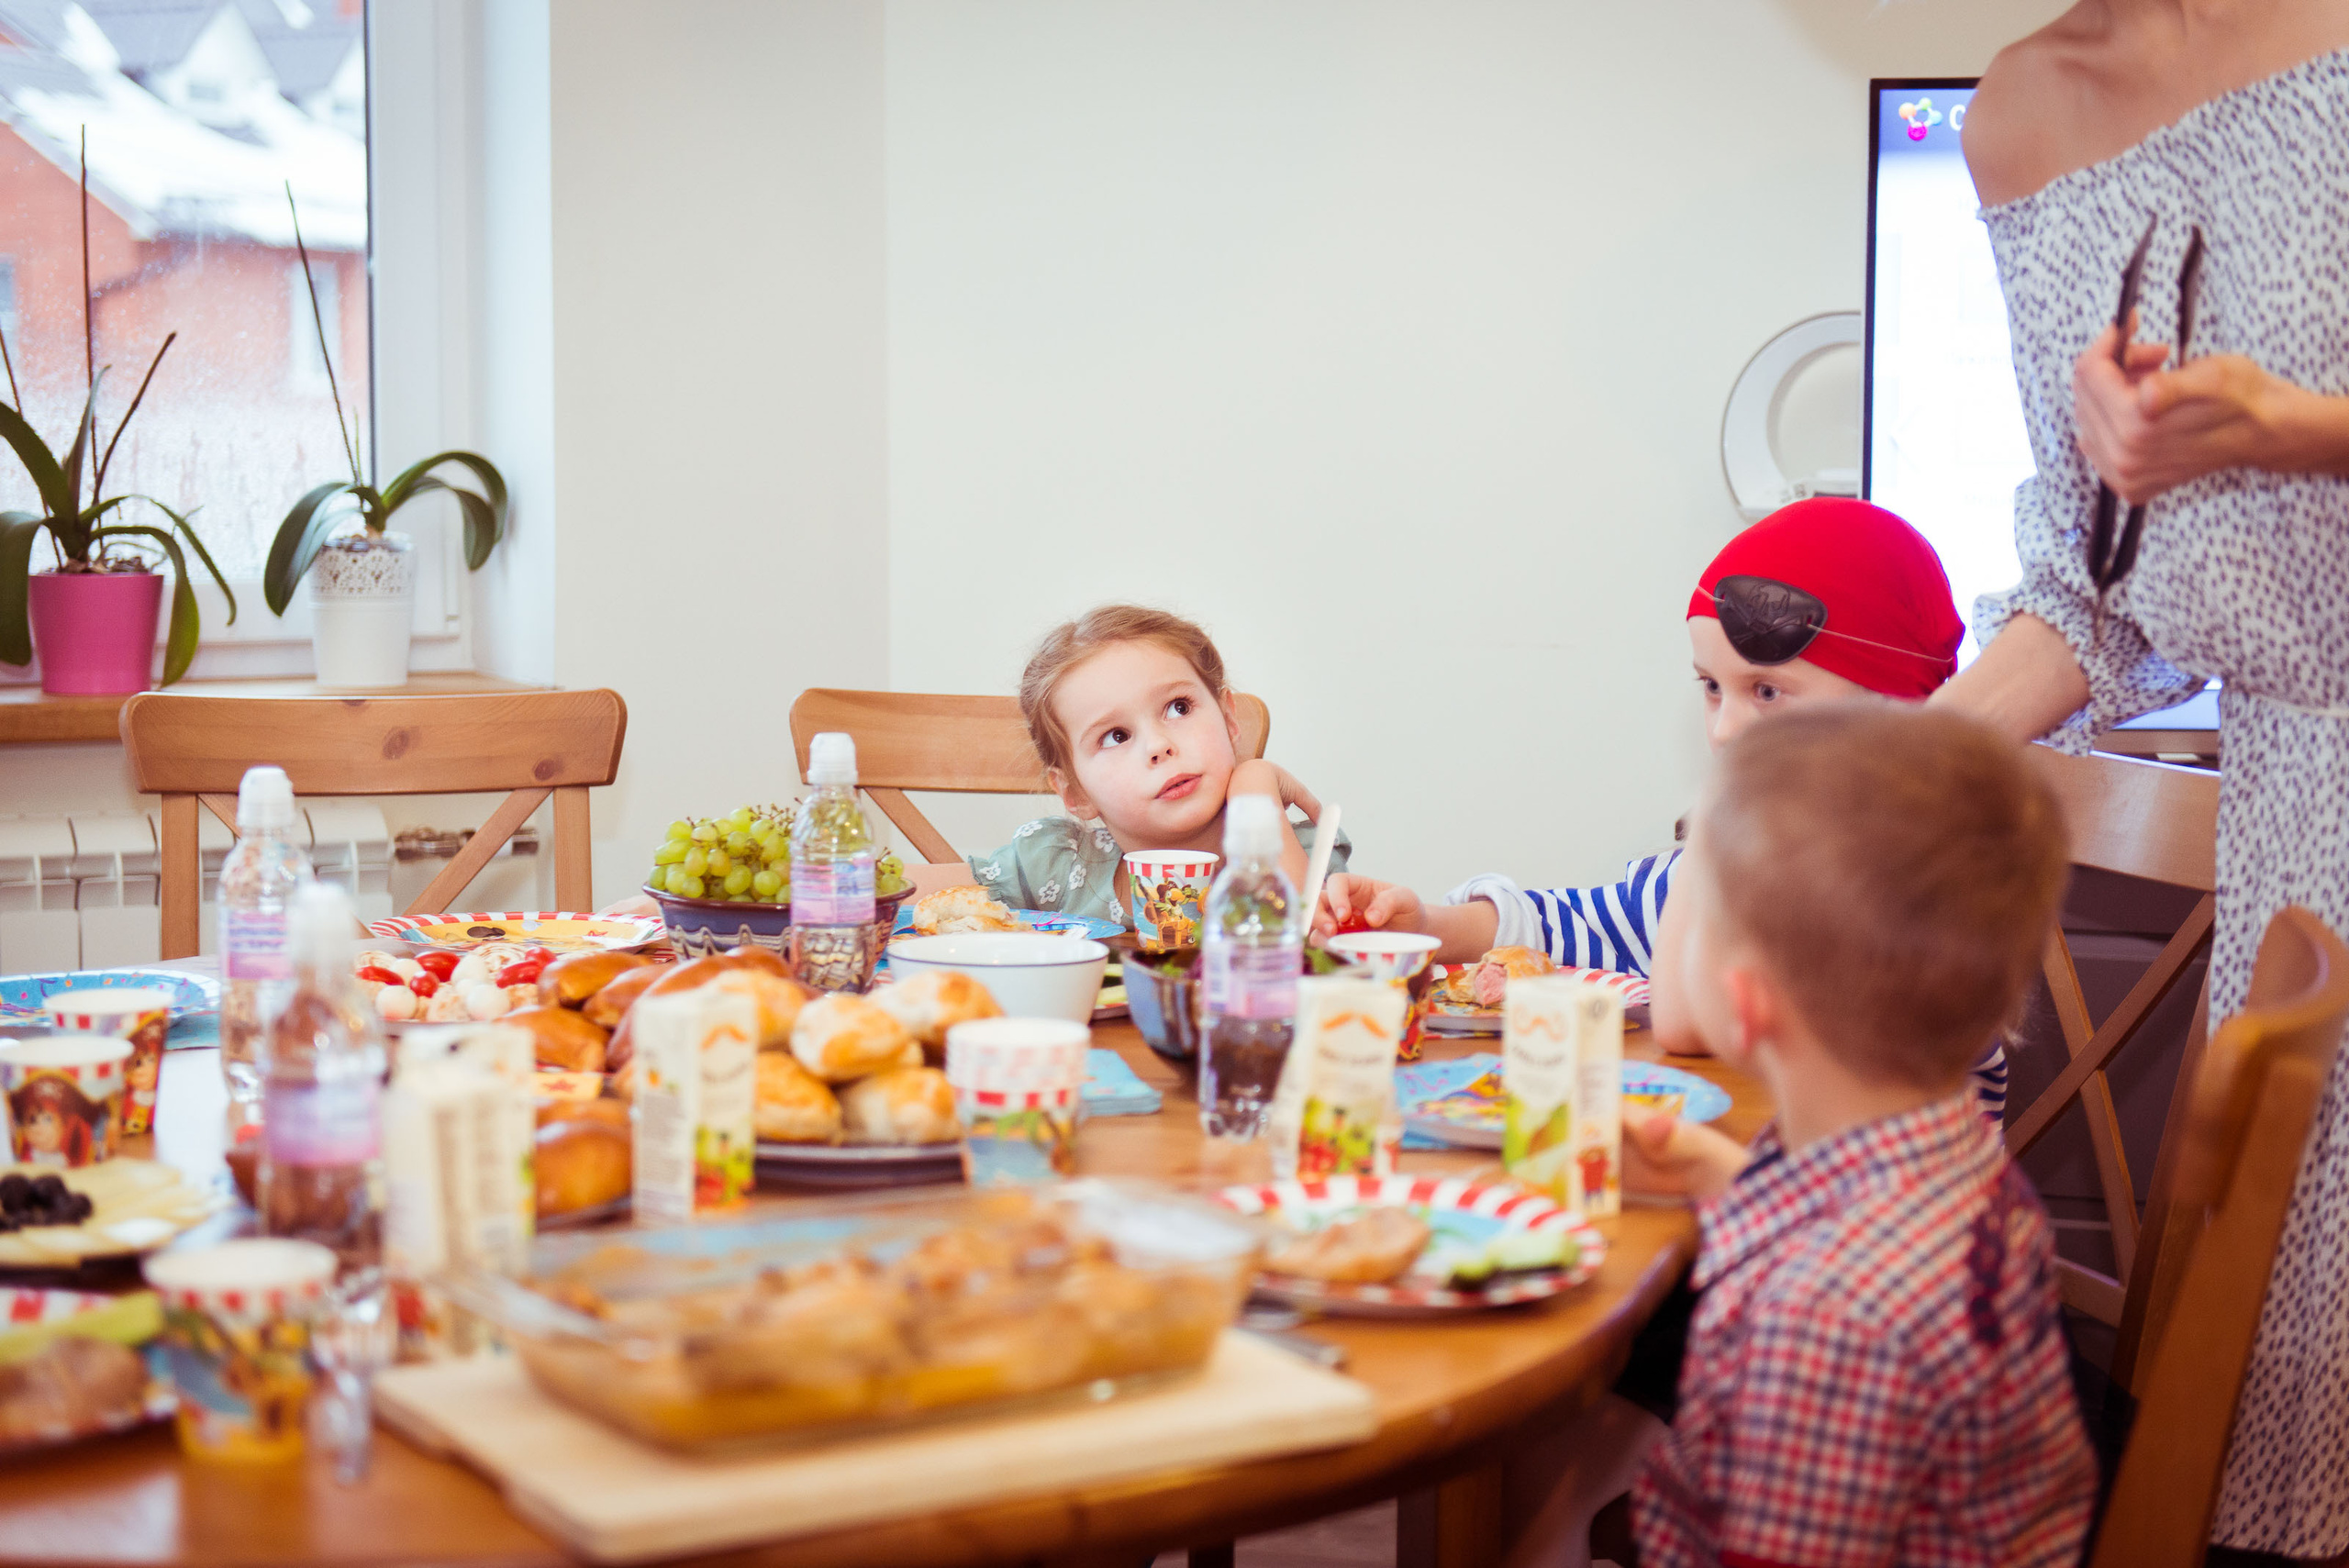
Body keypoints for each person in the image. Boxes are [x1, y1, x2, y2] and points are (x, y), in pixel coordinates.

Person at [1946, 7, 2349, 1555]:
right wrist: (1877, 768)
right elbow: (2091, 579)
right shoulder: (2020, 118)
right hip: (2302, 818)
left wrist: (2293, 430)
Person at [1316, 497, 2011, 1118]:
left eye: (1766, 691)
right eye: (1711, 686)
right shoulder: (1765, 851)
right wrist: (1435, 925)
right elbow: (1591, 921)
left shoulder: (1914, 892)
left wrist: (1712, 830)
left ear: (1896, 711)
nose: (1724, 729)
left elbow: (1685, 1022)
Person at [1613, 703, 2095, 1566]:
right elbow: (1860, 1212)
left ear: (1747, 997)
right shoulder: (1965, 1161)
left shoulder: (1823, 1321)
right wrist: (1720, 1170)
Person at [968, 604, 1344, 925]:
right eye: (1116, 736)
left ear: (1230, 720)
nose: (1159, 746)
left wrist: (1255, 782)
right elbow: (912, 893)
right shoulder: (1056, 865)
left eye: (1178, 708)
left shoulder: (1301, 852)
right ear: (1075, 793)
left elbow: (1292, 949)